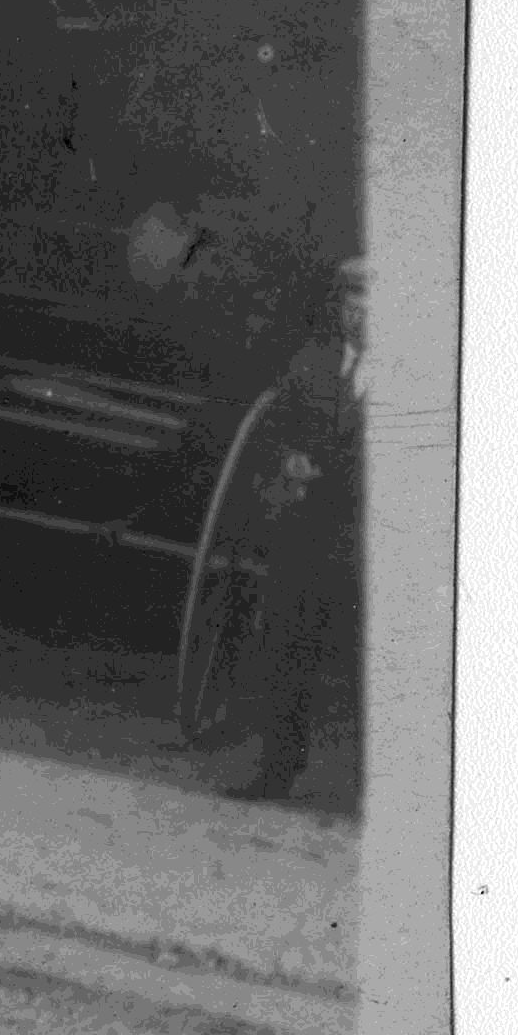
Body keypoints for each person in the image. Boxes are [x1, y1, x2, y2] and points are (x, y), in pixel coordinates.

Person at [226, 257, 365, 800]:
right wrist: (287, 460)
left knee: (366, 667)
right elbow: (269, 427)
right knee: (286, 651)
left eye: (373, 311)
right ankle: (276, 770)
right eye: (353, 308)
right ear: (339, 310)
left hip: (369, 545)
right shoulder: (311, 362)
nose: (362, 321)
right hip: (306, 535)